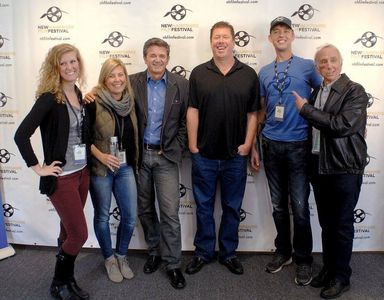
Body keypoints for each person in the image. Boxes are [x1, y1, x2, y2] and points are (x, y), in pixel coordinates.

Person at [14, 43, 90, 300]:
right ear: (55, 67)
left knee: (68, 231)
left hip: (82, 173)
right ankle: (58, 282)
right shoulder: (49, 98)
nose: (70, 67)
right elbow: (21, 135)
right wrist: (39, 168)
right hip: (62, 178)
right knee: (80, 234)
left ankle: (68, 279)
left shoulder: (78, 94)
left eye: (73, 61)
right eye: (64, 63)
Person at [293, 44, 368, 299]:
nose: (328, 66)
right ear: (317, 66)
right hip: (320, 166)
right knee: (327, 224)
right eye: (323, 62)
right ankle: (328, 268)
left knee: (342, 225)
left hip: (344, 168)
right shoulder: (317, 91)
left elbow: (341, 125)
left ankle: (341, 276)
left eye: (333, 60)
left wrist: (305, 109)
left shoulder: (354, 90)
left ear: (341, 62)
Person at [251, 16, 322, 285]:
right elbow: (261, 111)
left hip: (299, 146)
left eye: (285, 31)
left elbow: (325, 92)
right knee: (279, 206)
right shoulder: (264, 72)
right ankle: (284, 251)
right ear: (270, 38)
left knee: (300, 207)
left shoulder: (307, 67)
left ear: (292, 36)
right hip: (270, 144)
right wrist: (256, 146)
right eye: (275, 32)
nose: (280, 35)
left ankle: (304, 259)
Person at [186, 21, 260, 276]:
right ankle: (203, 252)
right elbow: (192, 110)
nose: (221, 41)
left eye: (225, 37)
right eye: (216, 37)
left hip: (235, 157)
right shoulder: (198, 73)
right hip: (204, 155)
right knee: (204, 207)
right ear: (211, 41)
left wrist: (248, 144)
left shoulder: (249, 74)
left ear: (233, 40)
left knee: (231, 207)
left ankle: (228, 253)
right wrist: (193, 145)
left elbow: (253, 113)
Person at [131, 37, 188, 289]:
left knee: (170, 213)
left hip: (166, 157)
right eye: (152, 55)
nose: (157, 59)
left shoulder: (181, 85)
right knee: (144, 208)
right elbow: (108, 94)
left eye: (162, 55)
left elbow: (188, 121)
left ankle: (173, 263)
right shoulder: (131, 82)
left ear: (168, 58)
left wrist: (176, 146)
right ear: (145, 58)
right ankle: (154, 251)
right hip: (140, 157)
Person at [86, 58, 139, 283]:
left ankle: (122, 255)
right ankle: (109, 258)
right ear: (104, 79)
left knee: (129, 216)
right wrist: (101, 156)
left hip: (125, 167)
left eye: (120, 75)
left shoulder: (131, 100)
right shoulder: (92, 101)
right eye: (111, 75)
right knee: (102, 217)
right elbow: (83, 138)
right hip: (101, 168)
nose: (117, 80)